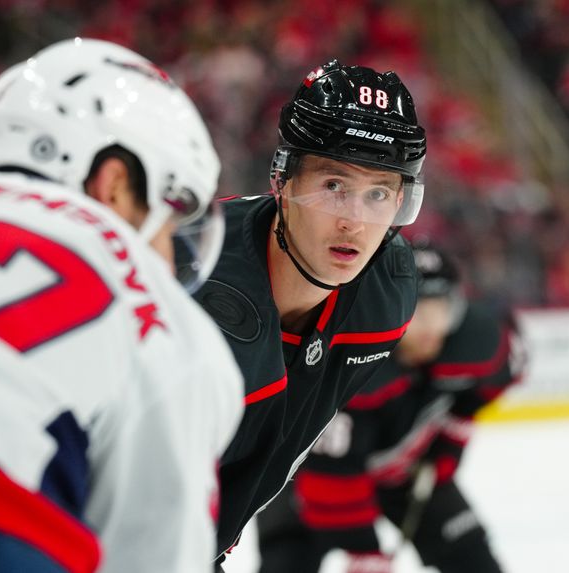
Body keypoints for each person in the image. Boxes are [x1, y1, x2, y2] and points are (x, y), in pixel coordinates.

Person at [0, 38, 243, 573]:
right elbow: (156, 553)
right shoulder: (150, 297)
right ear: (113, 183)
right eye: (173, 223)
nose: (167, 253)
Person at [191, 60, 427, 567]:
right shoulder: (191, 278)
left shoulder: (388, 289)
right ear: (282, 180)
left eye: (379, 193)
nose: (354, 221)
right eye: (333, 185)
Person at [256, 244, 527, 573]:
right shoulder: (349, 358)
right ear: (392, 305)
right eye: (417, 308)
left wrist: (449, 442)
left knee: (472, 556)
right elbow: (329, 475)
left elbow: (495, 381)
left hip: (405, 471)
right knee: (286, 561)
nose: (430, 324)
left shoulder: (475, 342)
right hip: (302, 474)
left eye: (441, 308)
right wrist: (363, 548)